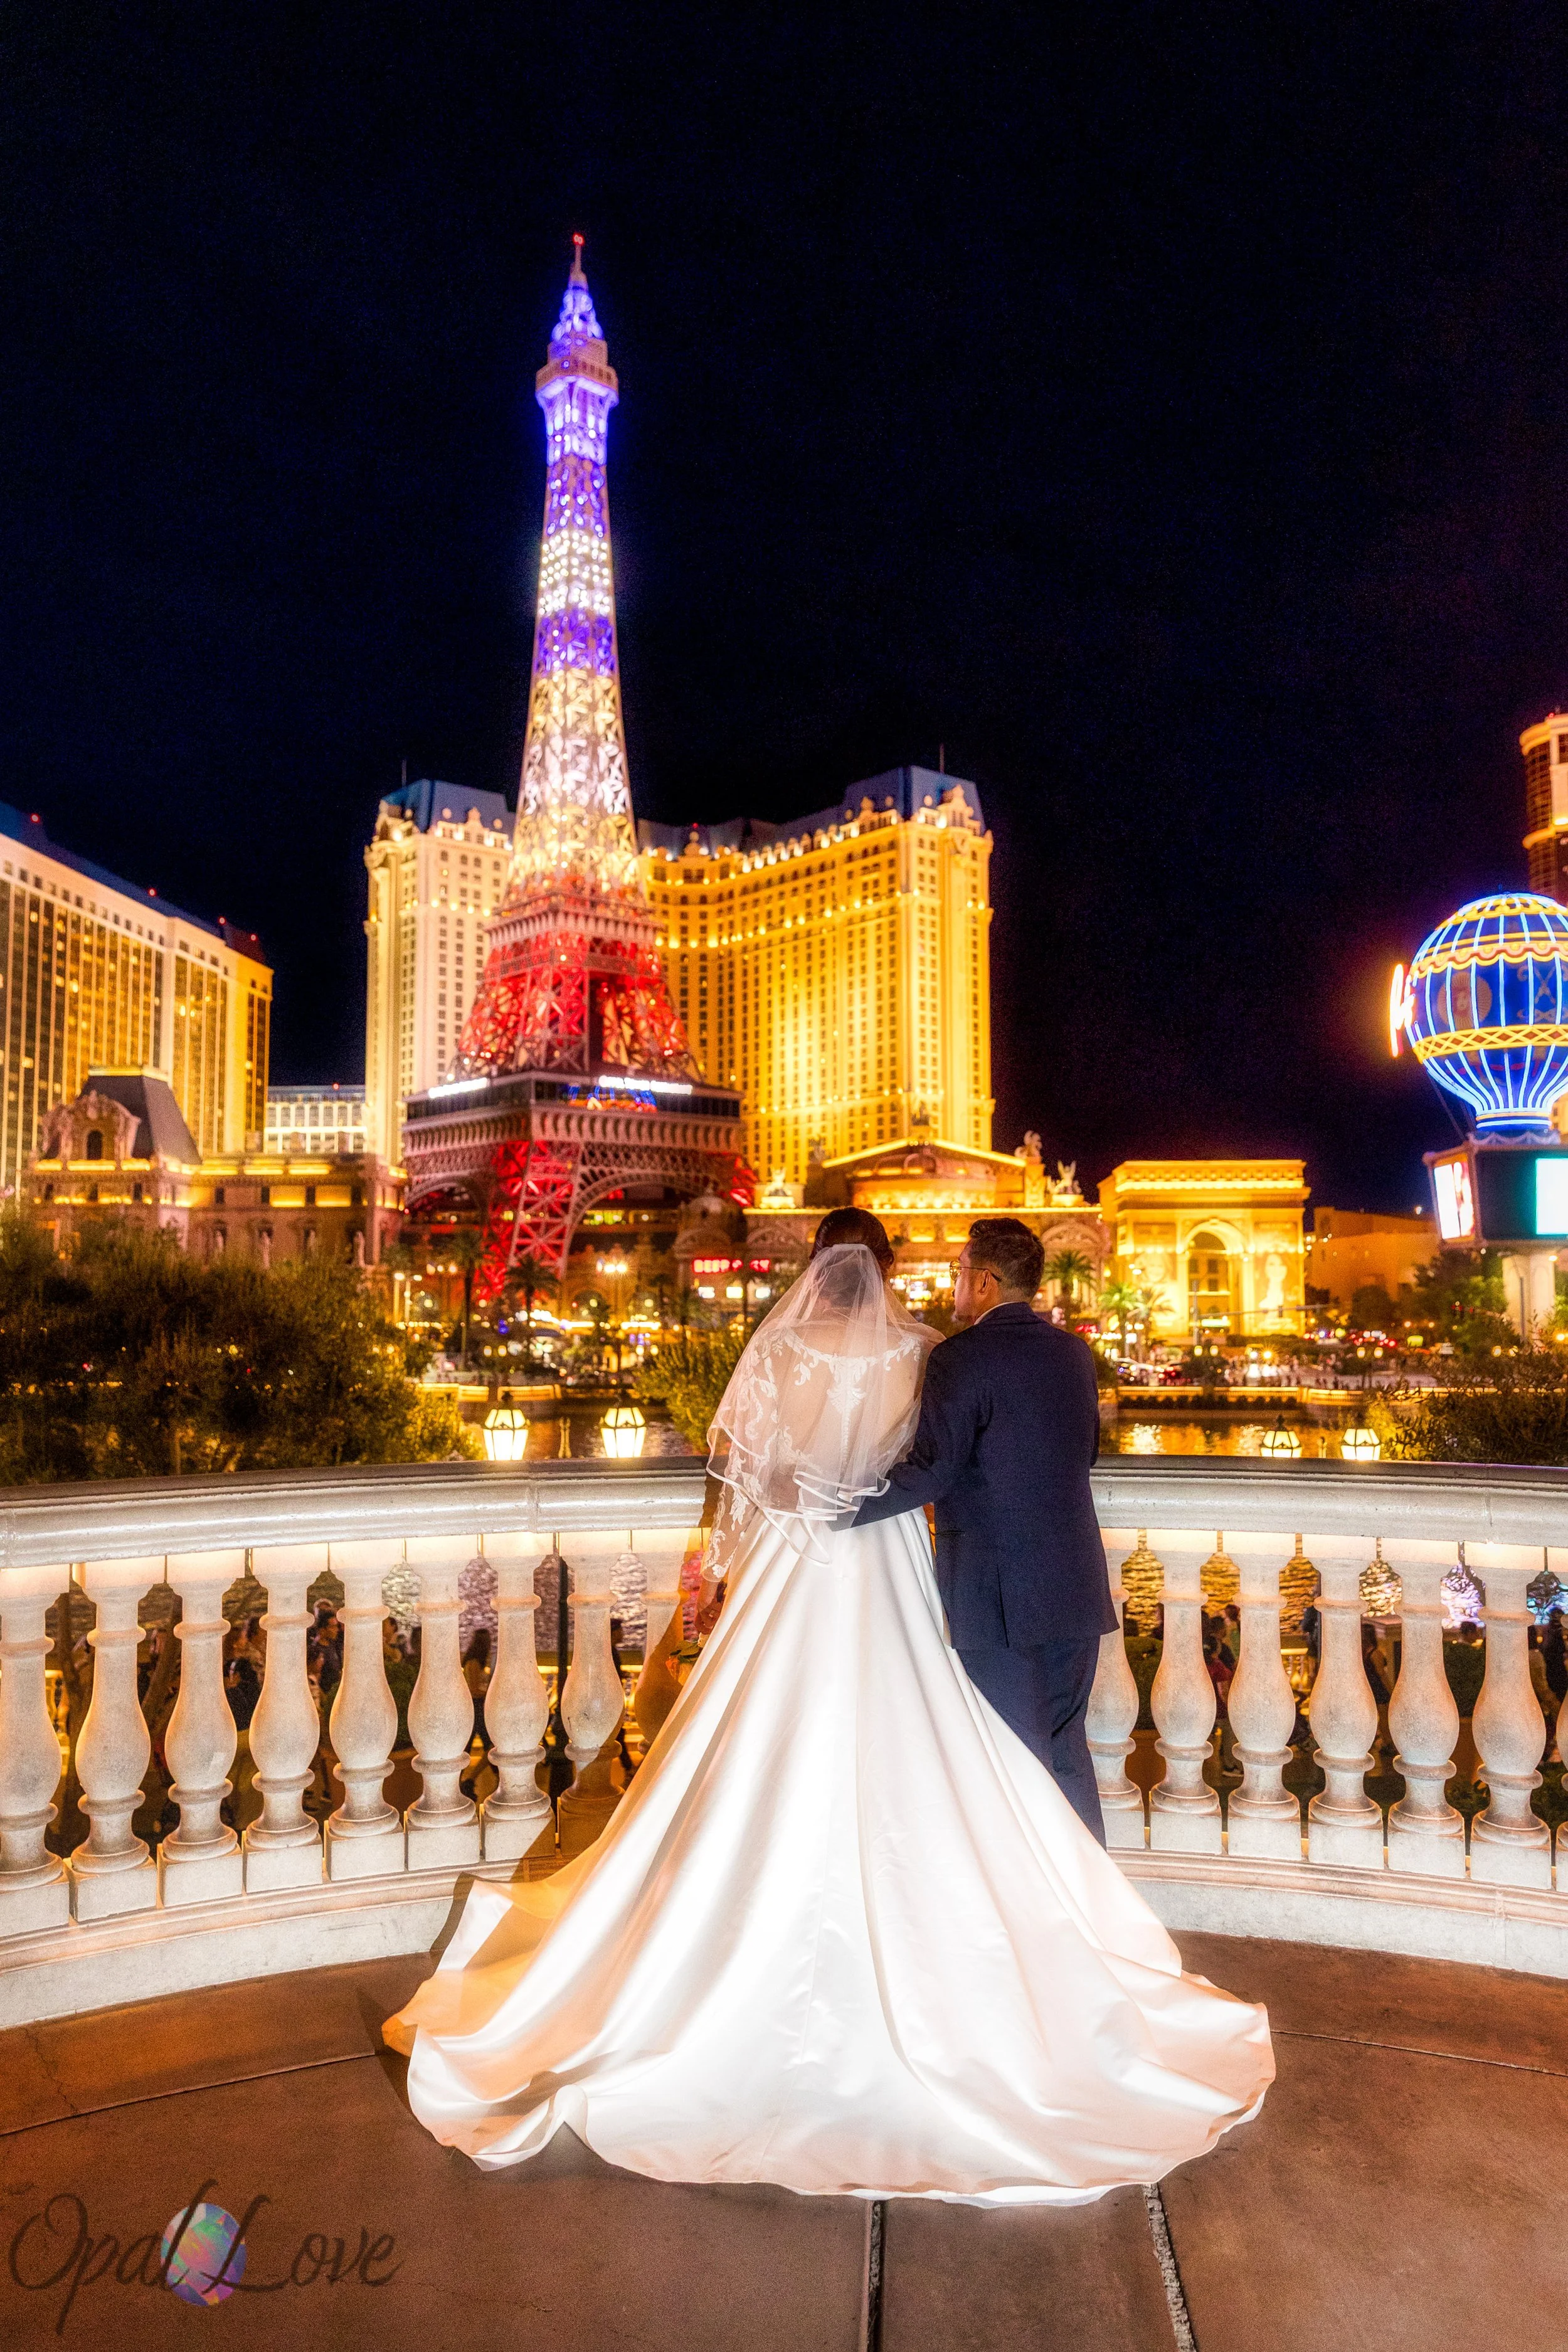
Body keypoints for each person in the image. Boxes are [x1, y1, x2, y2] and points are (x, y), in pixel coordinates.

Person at [384, 1210, 1272, 2204]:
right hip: (899, 1565)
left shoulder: (785, 1347)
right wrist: (858, 1501)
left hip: (800, 1559)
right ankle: (1061, 1928)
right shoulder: (933, 1349)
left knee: (762, 1739)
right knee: (956, 1749)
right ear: (888, 1268)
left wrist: (784, 1524)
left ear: (816, 1267)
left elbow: (752, 1474)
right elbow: (944, 1464)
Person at [853, 1216, 1113, 1841]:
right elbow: (1086, 1452)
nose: (954, 1284)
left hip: (998, 1598)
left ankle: (1034, 1892)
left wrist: (839, 1507)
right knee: (1066, 1750)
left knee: (1007, 1754)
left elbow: (931, 1472)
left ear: (985, 1281)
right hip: (1076, 1586)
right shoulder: (1074, 1353)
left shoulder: (960, 1357)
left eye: (959, 1271)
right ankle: (1091, 1884)